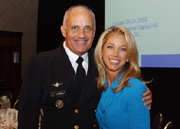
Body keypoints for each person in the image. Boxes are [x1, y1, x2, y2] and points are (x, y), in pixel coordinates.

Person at [18, 5, 152, 129]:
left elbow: (121, 83)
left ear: (94, 32)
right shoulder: (41, 63)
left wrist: (142, 91)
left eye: (87, 28)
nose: (82, 35)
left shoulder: (102, 60)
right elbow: (27, 117)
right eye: (75, 28)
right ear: (64, 31)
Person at [94, 26, 150, 129]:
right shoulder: (101, 82)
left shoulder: (135, 87)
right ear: (101, 51)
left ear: (128, 56)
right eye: (110, 47)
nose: (115, 54)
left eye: (123, 49)